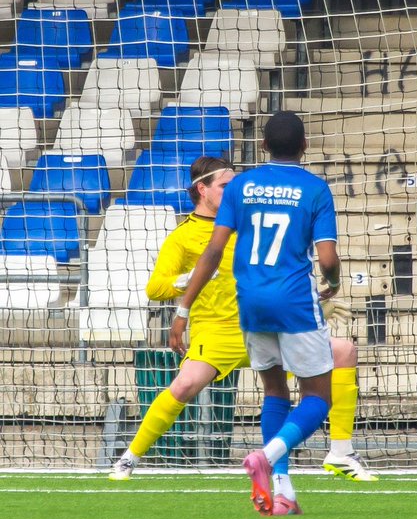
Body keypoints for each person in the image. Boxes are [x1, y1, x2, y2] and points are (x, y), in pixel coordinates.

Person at [110, 156, 375, 487]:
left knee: (344, 352)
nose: (233, 189)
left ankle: (341, 451)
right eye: (224, 185)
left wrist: (313, 309)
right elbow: (155, 287)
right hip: (216, 334)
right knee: (183, 386)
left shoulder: (246, 222)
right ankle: (128, 458)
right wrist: (189, 280)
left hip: (263, 326)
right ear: (201, 189)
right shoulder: (184, 236)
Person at [171, 112, 346, 516]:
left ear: (262, 146)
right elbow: (327, 256)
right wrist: (333, 281)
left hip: (249, 301)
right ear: (305, 146)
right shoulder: (316, 189)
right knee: (319, 396)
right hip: (295, 303)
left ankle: (282, 493)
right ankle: (267, 457)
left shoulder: (242, 185)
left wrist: (183, 310)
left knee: (274, 392)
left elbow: (213, 252)